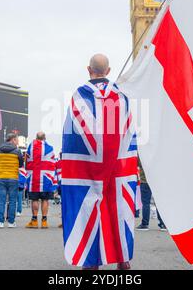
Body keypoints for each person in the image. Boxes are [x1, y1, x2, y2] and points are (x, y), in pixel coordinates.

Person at [61, 54, 138, 270]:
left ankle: (91, 262)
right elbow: (129, 133)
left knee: (89, 209)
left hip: (87, 171)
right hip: (118, 169)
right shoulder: (122, 98)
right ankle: (123, 260)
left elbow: (72, 138)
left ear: (89, 70)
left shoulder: (78, 96)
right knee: (118, 209)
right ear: (109, 70)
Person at [25, 132, 57, 229]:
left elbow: (27, 162)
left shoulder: (30, 147)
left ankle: (34, 221)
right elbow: (53, 163)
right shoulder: (50, 148)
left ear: (36, 137)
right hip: (46, 179)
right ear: (45, 138)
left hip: (34, 179)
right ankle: (44, 222)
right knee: (45, 200)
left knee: (34, 199)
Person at [0, 133, 23, 228]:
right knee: (12, 201)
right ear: (13, 140)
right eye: (17, 140)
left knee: (1, 201)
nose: (18, 142)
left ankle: (0, 222)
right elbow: (21, 164)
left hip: (2, 177)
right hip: (13, 178)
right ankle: (11, 222)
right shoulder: (17, 151)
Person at [136, 158, 167, 232]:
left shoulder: (141, 152)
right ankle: (163, 224)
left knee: (146, 203)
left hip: (145, 180)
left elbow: (137, 163)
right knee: (159, 203)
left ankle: (145, 224)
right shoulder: (156, 151)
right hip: (157, 180)